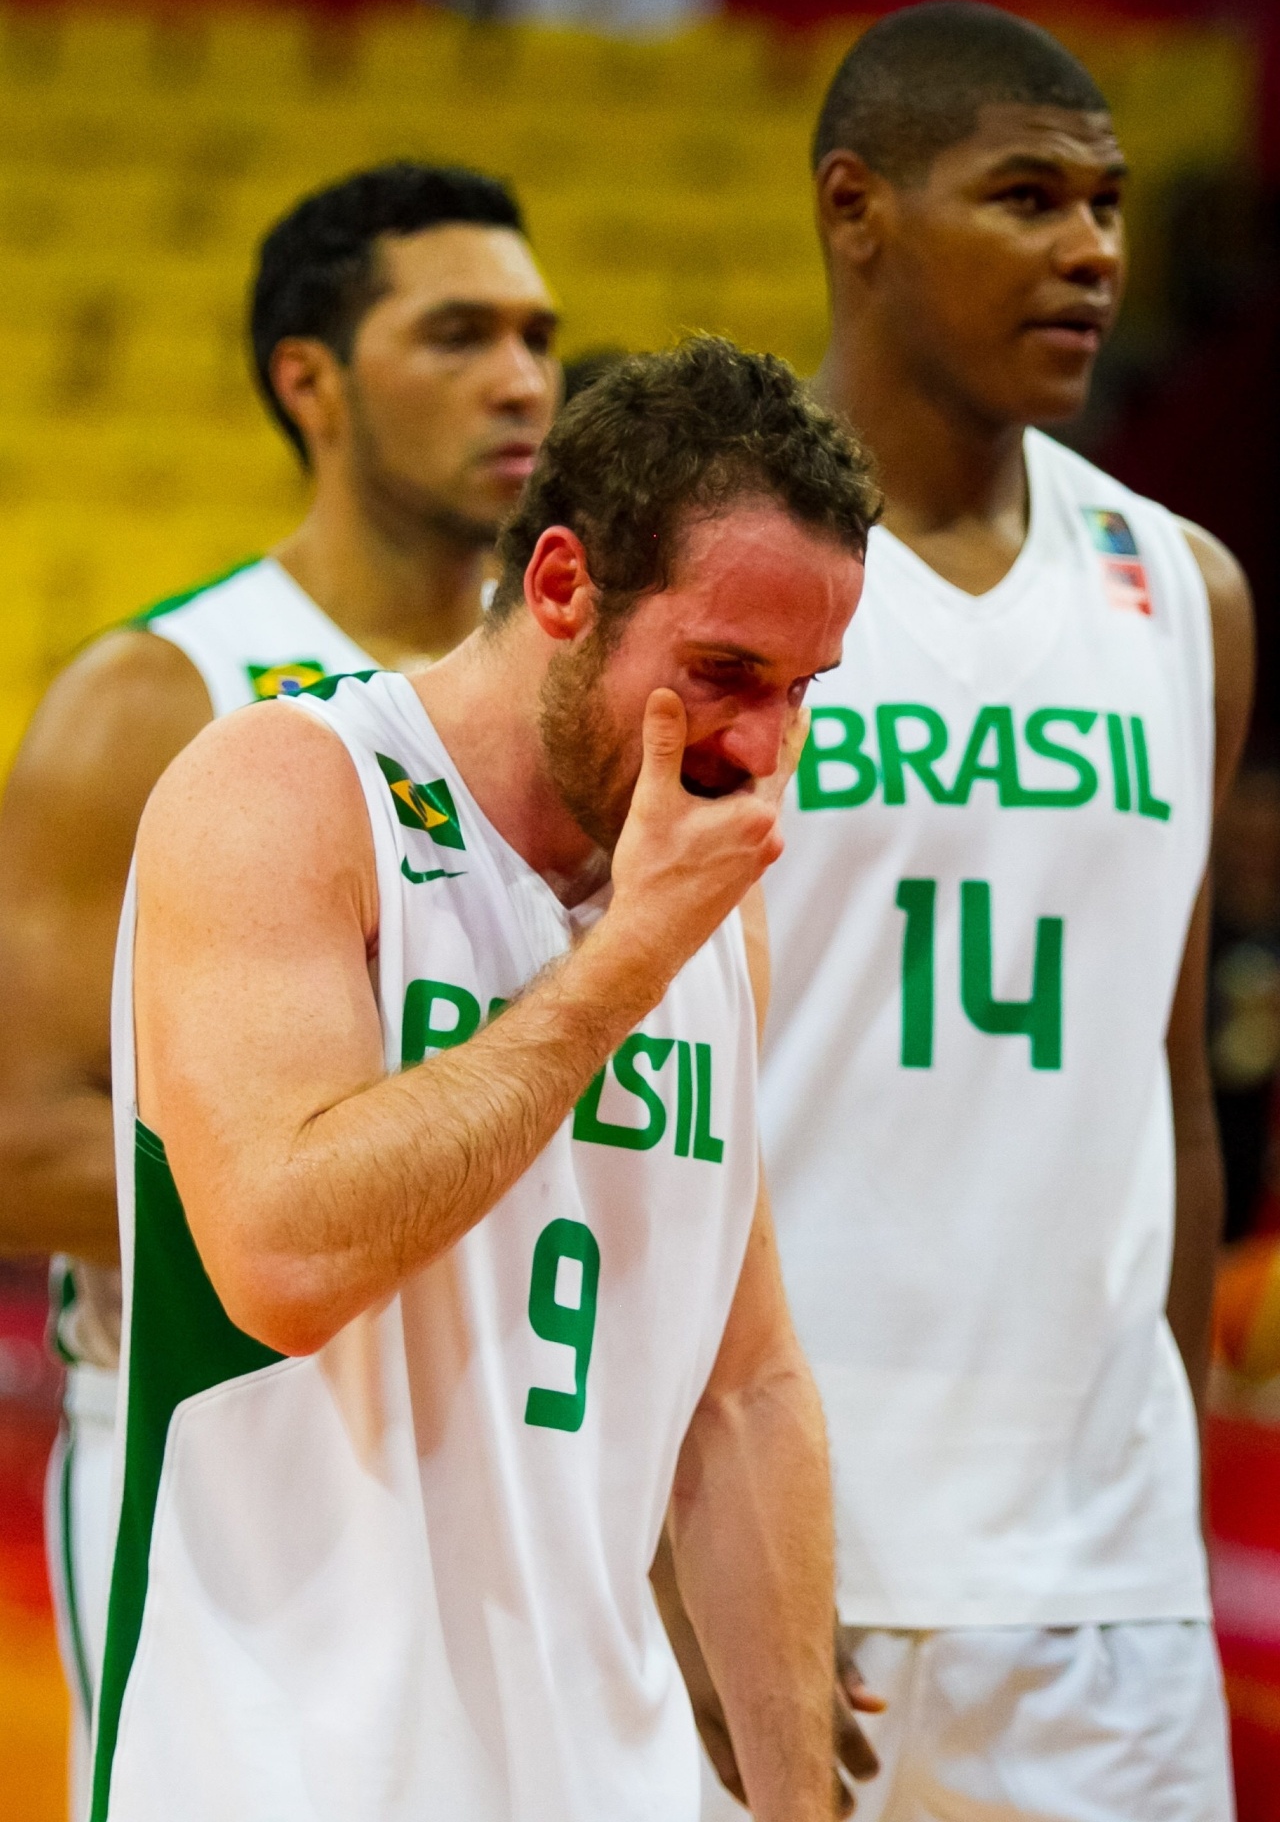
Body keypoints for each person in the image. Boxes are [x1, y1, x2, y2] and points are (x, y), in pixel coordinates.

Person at [90, 337, 876, 1822]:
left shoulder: (710, 908)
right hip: (283, 1771)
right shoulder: (289, 789)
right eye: (724, 674)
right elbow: (286, 1258)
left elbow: (745, 1389)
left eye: (803, 690)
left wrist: (802, 1806)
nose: (762, 746)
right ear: (565, 584)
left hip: (596, 1775)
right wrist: (623, 964)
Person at [696, 0, 1254, 1820]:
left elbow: (1168, 1086)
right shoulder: (690, 583)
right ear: (855, 209)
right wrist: (651, 1536)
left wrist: (1164, 1509)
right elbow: (594, 1089)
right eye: (1026, 198)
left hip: (1101, 1596)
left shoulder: (1184, 591)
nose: (1091, 250)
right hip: (771, 1542)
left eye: (1107, 204)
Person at [0, 159, 561, 1813]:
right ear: (309, 381)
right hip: (235, 1473)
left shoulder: (582, 710)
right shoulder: (160, 695)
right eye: (457, 335)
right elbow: (19, 1141)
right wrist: (359, 1190)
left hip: (532, 1452)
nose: (520, 379)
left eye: (536, 336)